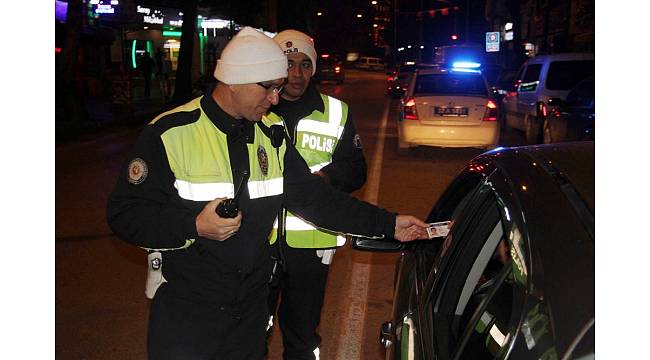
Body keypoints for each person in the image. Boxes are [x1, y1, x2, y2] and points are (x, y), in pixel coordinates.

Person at [107, 27, 428, 360]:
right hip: (188, 313)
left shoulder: (271, 134)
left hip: (250, 310)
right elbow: (125, 214)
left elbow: (316, 200)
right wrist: (194, 225)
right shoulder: (171, 133)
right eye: (269, 87)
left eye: (278, 87)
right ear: (235, 78)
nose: (275, 98)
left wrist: (389, 224)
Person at [265, 29, 366, 360]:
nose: (297, 74)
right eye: (289, 64)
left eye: (304, 65)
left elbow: (356, 171)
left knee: (303, 333)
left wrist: (326, 178)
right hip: (256, 243)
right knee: (251, 330)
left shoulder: (336, 112)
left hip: (311, 245)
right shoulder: (255, 107)